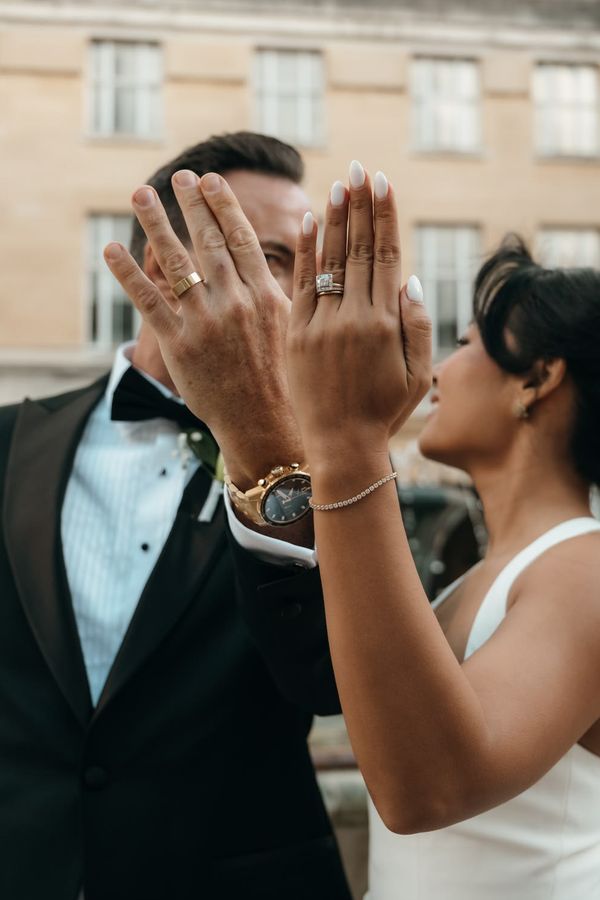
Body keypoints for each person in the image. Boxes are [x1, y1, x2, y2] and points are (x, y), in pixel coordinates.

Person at [123, 159, 600, 898]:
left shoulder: (585, 567)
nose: (440, 364)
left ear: (537, 379)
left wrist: (347, 432)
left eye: (470, 342)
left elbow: (426, 789)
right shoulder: (480, 577)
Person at [0, 132, 352, 900]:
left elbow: (330, 682)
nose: (295, 295)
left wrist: (266, 441)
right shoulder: (7, 444)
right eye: (274, 258)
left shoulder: (342, 463)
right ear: (162, 266)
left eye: (304, 264)